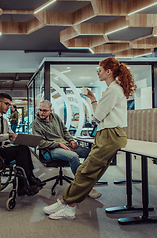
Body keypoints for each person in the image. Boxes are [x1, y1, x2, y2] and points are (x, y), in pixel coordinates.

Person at [43, 57, 135, 220]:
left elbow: (96, 117)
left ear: (108, 71)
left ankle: (66, 203)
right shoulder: (114, 89)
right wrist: (92, 98)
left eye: (99, 70)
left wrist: (94, 104)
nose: (98, 73)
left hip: (109, 135)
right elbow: (99, 114)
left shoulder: (113, 90)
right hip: (109, 134)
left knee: (85, 172)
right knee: (90, 173)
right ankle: (67, 204)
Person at [32, 100, 101, 199]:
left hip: (65, 145)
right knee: (73, 157)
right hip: (49, 150)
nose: (42, 113)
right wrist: (58, 143)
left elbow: (65, 131)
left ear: (50, 110)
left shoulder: (55, 117)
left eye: (45, 110)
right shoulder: (36, 123)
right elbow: (40, 142)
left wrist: (71, 140)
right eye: (40, 110)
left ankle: (84, 178)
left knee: (90, 153)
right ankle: (83, 186)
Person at [0, 93, 43, 196]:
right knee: (20, 151)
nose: (8, 107)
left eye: (9, 105)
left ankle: (29, 178)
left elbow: (12, 137)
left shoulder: (4, 120)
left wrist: (27, 141)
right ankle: (24, 184)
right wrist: (8, 135)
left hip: (0, 149)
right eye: (7, 104)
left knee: (24, 148)